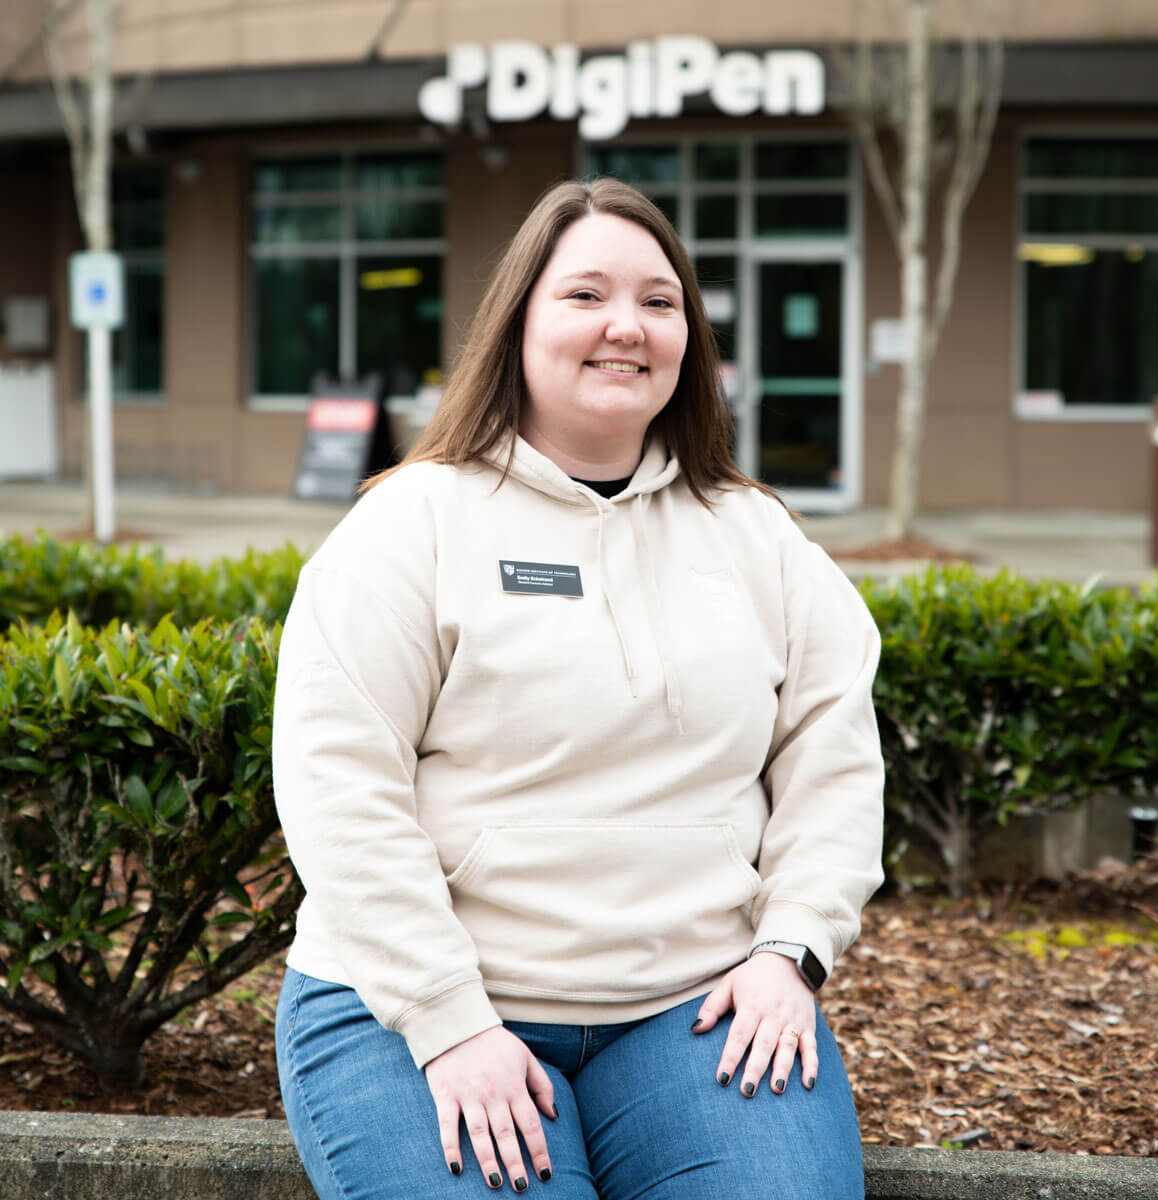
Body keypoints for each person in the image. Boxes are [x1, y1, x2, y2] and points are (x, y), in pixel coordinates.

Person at [272, 176, 885, 1200]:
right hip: (413, 1012)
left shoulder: (757, 536)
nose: (626, 327)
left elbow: (834, 757)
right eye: (585, 295)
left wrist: (792, 952)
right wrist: (449, 1022)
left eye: (659, 300)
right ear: (517, 322)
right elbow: (341, 790)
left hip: (694, 1009)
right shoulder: (407, 524)